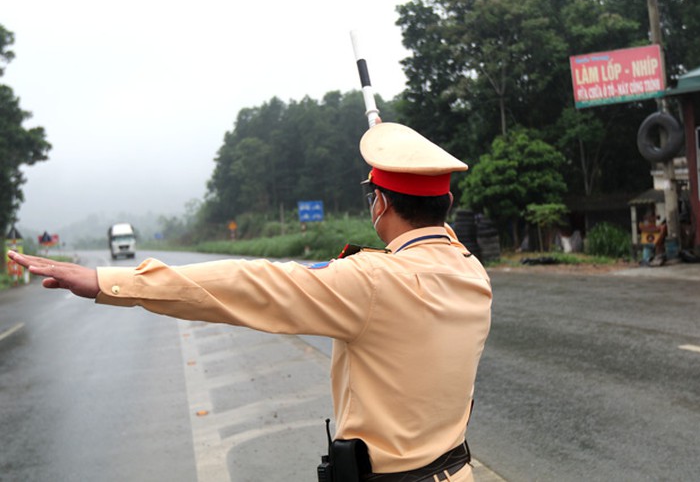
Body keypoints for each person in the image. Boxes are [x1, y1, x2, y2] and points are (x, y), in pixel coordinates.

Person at [10, 122, 492, 481]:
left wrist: (108, 281)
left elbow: (249, 282)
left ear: (380, 205)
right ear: (445, 206)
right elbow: (433, 239)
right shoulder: (472, 273)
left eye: (373, 196)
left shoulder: (371, 282)